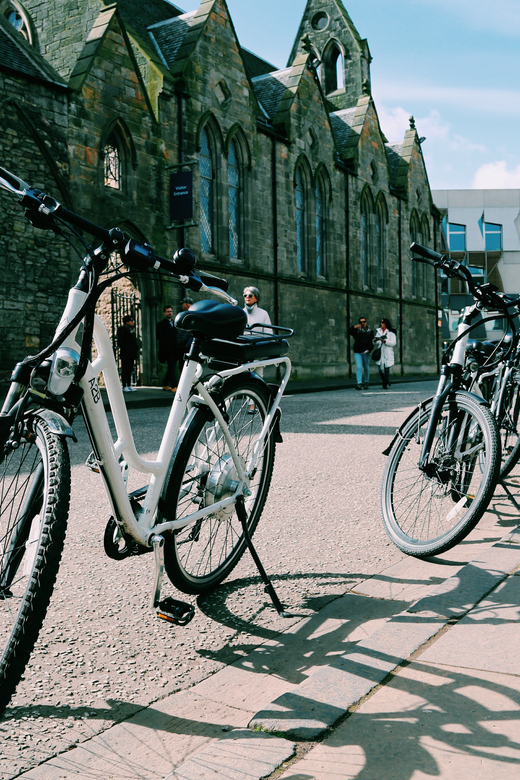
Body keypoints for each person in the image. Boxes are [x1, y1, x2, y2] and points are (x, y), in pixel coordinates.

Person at [243, 286, 271, 412]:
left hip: (258, 349)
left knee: (258, 377)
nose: (247, 298)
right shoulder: (241, 313)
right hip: (244, 350)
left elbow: (268, 332)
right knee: (243, 377)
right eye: (245, 295)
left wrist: (264, 346)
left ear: (256, 297)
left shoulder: (263, 313)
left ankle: (254, 404)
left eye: (250, 295)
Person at [156, 304, 178, 391]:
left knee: (171, 367)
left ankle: (165, 384)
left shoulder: (175, 323)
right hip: (167, 350)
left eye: (171, 311)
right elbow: (159, 336)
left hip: (175, 349)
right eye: (168, 312)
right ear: (164, 313)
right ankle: (174, 385)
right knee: (172, 367)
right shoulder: (161, 324)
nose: (170, 313)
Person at [349, 316, 374, 390]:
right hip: (358, 351)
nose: (362, 323)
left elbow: (371, 342)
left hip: (366, 352)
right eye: (361, 322)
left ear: (366, 322)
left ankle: (366, 382)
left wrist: (369, 349)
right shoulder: (357, 331)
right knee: (359, 367)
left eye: (364, 322)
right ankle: (359, 383)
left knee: (366, 367)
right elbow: (349, 331)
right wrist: (354, 327)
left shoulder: (370, 331)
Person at [373, 318, 397, 389]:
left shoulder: (391, 333)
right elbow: (376, 343)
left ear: (386, 324)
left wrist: (385, 341)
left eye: (382, 322)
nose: (381, 324)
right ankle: (385, 380)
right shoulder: (378, 332)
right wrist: (375, 340)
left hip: (388, 352)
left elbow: (393, 343)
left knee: (387, 368)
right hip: (381, 352)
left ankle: (385, 383)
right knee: (380, 369)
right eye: (380, 322)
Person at [117, 314, 138, 392]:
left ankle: (129, 384)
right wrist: (128, 348)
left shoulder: (131, 329)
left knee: (129, 369)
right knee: (125, 369)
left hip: (131, 353)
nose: (133, 322)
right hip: (125, 353)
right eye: (131, 320)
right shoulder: (122, 330)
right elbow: (121, 342)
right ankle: (124, 385)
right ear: (127, 322)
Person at [176, 297, 194, 376]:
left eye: (182, 303)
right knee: (182, 366)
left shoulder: (192, 315)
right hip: (182, 346)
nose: (182, 305)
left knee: (187, 366)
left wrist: (188, 343)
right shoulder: (185, 314)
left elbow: (193, 332)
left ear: (186, 305)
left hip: (187, 346)